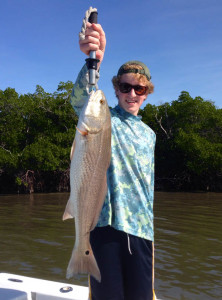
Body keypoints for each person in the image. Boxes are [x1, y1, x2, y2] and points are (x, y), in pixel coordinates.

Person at [70, 21, 156, 300]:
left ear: (146, 93)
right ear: (116, 89)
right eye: (125, 87)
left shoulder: (150, 134)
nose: (132, 93)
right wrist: (94, 59)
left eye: (139, 89)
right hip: (104, 226)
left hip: (141, 230)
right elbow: (82, 100)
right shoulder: (105, 119)